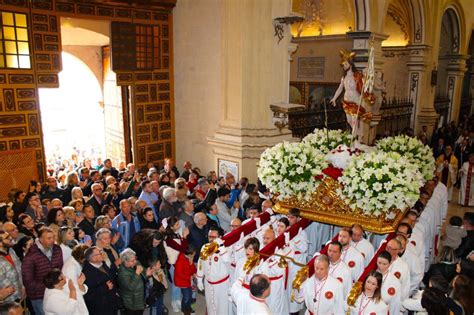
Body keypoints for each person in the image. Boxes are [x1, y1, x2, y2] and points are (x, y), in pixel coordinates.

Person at [330, 50, 373, 140]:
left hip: (355, 99)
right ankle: (358, 133)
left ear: (350, 64)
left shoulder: (357, 75)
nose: (344, 66)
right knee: (349, 120)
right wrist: (334, 98)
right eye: (343, 65)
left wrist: (365, 80)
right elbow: (340, 88)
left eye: (345, 64)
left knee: (354, 120)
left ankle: (354, 138)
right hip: (347, 100)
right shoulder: (344, 77)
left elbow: (363, 86)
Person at [21, 227, 63, 314]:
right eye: (49, 238)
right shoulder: (31, 255)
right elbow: (28, 281)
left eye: (53, 237)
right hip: (39, 296)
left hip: (55, 291)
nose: (52, 240)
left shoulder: (57, 249)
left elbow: (60, 269)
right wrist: (49, 286)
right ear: (40, 239)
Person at [196, 228, 231, 315]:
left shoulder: (226, 248)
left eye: (213, 237)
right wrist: (199, 279)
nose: (211, 239)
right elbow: (200, 264)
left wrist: (221, 247)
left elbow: (227, 261)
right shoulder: (204, 247)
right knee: (210, 305)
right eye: (209, 236)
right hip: (208, 283)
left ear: (219, 237)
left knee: (222, 307)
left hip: (221, 285)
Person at [82, 246, 120, 315]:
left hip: (111, 302)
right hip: (100, 308)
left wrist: (114, 266)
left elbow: (109, 276)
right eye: (100, 253)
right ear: (93, 258)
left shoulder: (102, 263)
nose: (103, 254)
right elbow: (88, 294)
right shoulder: (87, 273)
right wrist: (105, 288)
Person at [164, 216, 189, 312]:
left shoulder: (177, 234)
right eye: (177, 224)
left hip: (180, 263)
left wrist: (183, 237)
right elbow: (183, 248)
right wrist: (184, 237)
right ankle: (174, 301)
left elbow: (184, 248)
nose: (179, 225)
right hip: (173, 264)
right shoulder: (168, 238)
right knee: (175, 284)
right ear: (171, 227)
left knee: (179, 283)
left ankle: (178, 299)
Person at [118, 248, 153, 315]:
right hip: (131, 303)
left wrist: (147, 274)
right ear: (125, 262)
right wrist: (137, 274)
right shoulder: (122, 273)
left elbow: (142, 278)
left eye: (135, 259)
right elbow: (130, 287)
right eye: (132, 261)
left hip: (139, 299)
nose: (135, 262)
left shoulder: (135, 264)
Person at [62, 245, 90, 315]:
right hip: (73, 300)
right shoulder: (71, 268)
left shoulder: (74, 262)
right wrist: (83, 287)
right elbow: (75, 289)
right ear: (82, 257)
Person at [0, 231, 24, 304]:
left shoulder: (11, 250)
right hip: (7, 301)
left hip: (21, 294)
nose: (11, 238)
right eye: (7, 238)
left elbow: (19, 269)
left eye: (9, 235)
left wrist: (23, 287)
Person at [376, 251, 401, 315]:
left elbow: (395, 305)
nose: (381, 266)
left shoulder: (395, 282)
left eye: (384, 264)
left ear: (390, 264)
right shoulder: (370, 275)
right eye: (379, 263)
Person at [174, 246, 197, 315]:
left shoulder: (189, 258)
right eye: (194, 253)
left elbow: (193, 269)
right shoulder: (179, 261)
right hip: (182, 282)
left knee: (190, 296)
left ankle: (188, 308)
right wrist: (190, 277)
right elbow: (179, 274)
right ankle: (184, 310)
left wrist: (192, 264)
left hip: (189, 281)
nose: (195, 254)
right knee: (186, 297)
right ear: (189, 253)